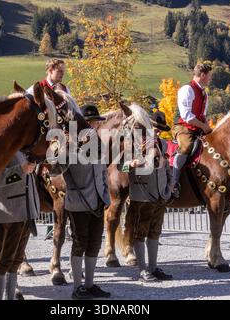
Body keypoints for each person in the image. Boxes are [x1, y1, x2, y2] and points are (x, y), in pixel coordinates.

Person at [64, 104, 111, 300]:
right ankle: (77, 287)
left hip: (98, 201)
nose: (94, 126)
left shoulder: (98, 145)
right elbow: (57, 169)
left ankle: (90, 284)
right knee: (79, 242)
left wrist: (106, 196)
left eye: (95, 123)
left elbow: (102, 173)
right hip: (78, 202)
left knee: (94, 244)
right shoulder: (68, 144)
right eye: (90, 122)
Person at [121, 110, 173, 282]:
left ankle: (153, 267)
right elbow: (121, 167)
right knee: (139, 233)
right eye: (155, 128)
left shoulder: (163, 145)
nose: (157, 132)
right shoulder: (133, 144)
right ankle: (143, 269)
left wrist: (170, 185)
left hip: (159, 194)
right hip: (141, 195)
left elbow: (167, 168)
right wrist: (132, 163)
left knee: (155, 233)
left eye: (159, 129)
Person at [0, 152, 39, 300]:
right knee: (1, 263)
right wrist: (20, 170)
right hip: (7, 213)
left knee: (15, 262)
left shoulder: (21, 150)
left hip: (25, 211)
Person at [172, 63, 213, 198]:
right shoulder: (187, 89)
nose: (210, 79)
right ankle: (174, 181)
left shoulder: (204, 93)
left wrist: (210, 131)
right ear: (202, 75)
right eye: (209, 76)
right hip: (183, 127)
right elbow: (187, 117)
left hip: (198, 128)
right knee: (186, 146)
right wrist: (204, 127)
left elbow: (203, 116)